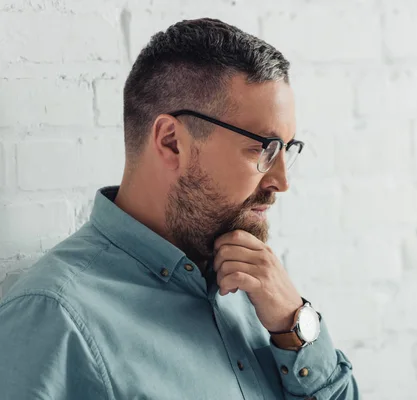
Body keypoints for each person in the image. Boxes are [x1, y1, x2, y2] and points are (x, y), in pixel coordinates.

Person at [0, 18, 359, 399]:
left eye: (288, 150)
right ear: (172, 142)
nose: (281, 182)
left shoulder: (256, 286)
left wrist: (294, 326)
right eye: (263, 149)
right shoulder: (54, 319)